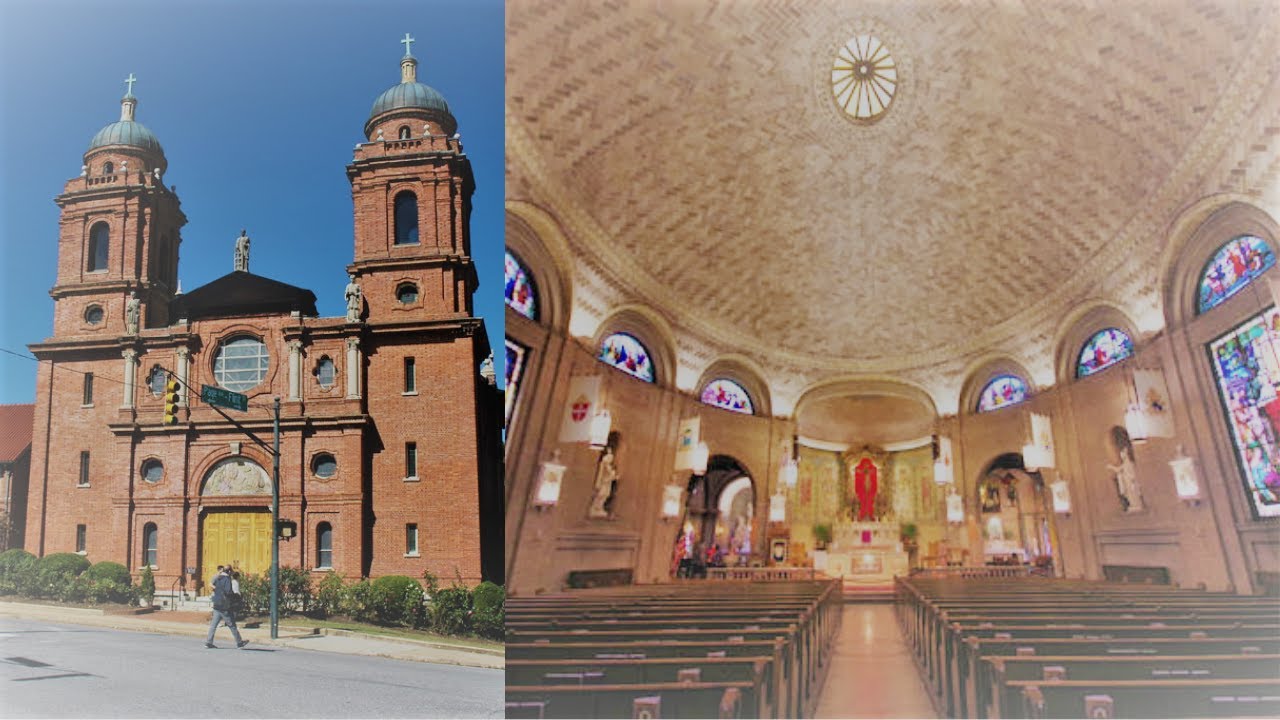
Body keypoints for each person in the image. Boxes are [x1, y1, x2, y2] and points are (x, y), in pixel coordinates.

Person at [206, 563, 248, 649]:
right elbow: (228, 592)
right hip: (224, 606)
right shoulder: (227, 579)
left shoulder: (218, 578)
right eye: (230, 572)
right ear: (229, 571)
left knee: (213, 625)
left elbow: (214, 587)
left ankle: (208, 642)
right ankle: (239, 643)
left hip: (216, 604)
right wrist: (235, 597)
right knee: (232, 625)